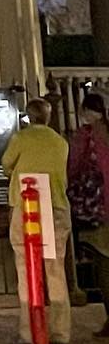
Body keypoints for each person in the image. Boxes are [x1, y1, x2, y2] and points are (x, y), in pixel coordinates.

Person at [3, 97, 71, 344]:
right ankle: (61, 334)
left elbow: (6, 164)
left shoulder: (22, 138)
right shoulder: (60, 142)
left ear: (28, 117)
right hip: (56, 208)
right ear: (49, 116)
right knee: (55, 270)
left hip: (26, 208)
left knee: (25, 269)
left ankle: (28, 333)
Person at [70, 90, 109, 331]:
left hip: (98, 208)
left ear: (86, 112)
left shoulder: (85, 136)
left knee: (104, 263)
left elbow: (72, 167)